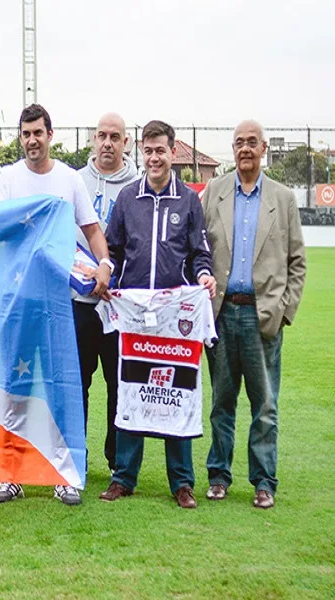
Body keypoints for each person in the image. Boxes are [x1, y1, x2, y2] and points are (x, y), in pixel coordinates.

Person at [0, 104, 112, 506]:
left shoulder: (69, 179)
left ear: (50, 134)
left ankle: (65, 472)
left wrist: (105, 264)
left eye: (37, 133)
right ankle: (13, 472)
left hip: (61, 302)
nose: (31, 141)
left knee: (64, 385)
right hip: (19, 300)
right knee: (16, 387)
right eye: (25, 134)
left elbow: (92, 231)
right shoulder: (7, 179)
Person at [99, 120, 217, 509]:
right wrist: (106, 277)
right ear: (142, 153)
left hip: (174, 316)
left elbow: (200, 252)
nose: (154, 157)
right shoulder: (128, 199)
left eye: (160, 150)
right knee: (131, 390)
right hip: (133, 314)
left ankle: (181, 482)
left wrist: (204, 276)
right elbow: (113, 251)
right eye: (148, 151)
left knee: (176, 391)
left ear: (172, 153)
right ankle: (123, 477)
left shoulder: (188, 200)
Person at [202, 120, 306, 509]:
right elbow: (199, 247)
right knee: (221, 403)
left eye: (252, 142)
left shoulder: (283, 198)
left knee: (265, 405)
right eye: (239, 142)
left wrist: (284, 311)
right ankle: (218, 476)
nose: (245, 148)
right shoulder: (214, 191)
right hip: (223, 314)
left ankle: (264, 481)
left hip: (264, 318)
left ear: (264, 148)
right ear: (233, 149)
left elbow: (297, 262)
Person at [76, 113, 139, 474]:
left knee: (119, 387)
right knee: (77, 384)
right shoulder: (75, 181)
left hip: (120, 307)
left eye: (115, 136)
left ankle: (118, 462)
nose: (107, 143)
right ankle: (77, 459)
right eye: (101, 135)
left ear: (125, 143)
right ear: (92, 140)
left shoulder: (138, 186)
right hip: (80, 303)